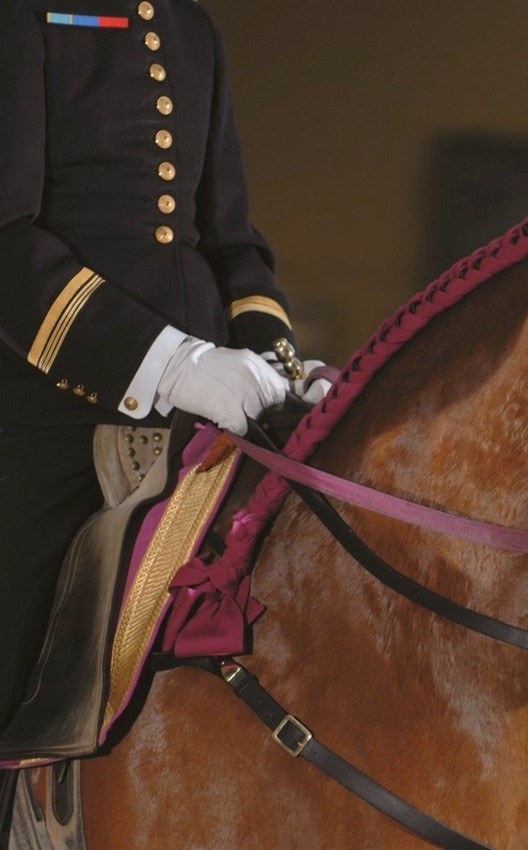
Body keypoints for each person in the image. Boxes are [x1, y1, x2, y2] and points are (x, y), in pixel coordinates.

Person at [0, 0, 328, 733]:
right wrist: (170, 364)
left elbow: (232, 242)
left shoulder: (189, 26)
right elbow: (6, 243)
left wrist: (278, 369)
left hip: (207, 417)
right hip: (51, 412)